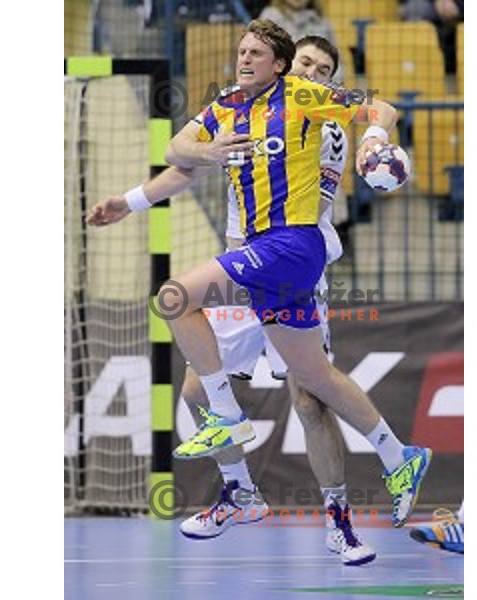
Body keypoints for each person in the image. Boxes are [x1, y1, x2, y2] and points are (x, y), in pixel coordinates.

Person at [88, 35, 377, 566]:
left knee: (310, 400)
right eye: (306, 62)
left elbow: (369, 123)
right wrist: (129, 202)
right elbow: (185, 163)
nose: (311, 72)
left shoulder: (323, 123)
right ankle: (239, 490)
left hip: (290, 269)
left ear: (325, 79)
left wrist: (379, 139)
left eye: (322, 68)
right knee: (197, 389)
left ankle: (341, 522)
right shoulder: (248, 106)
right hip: (241, 266)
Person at [160, 18, 432, 535]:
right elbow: (177, 152)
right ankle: (398, 456)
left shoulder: (306, 100)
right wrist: (208, 151)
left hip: (289, 248)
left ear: (282, 68)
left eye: (255, 53)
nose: (243, 59)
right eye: (240, 51)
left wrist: (375, 139)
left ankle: (332, 515)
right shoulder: (228, 105)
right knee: (311, 377)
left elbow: (381, 108)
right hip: (256, 253)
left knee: (176, 298)